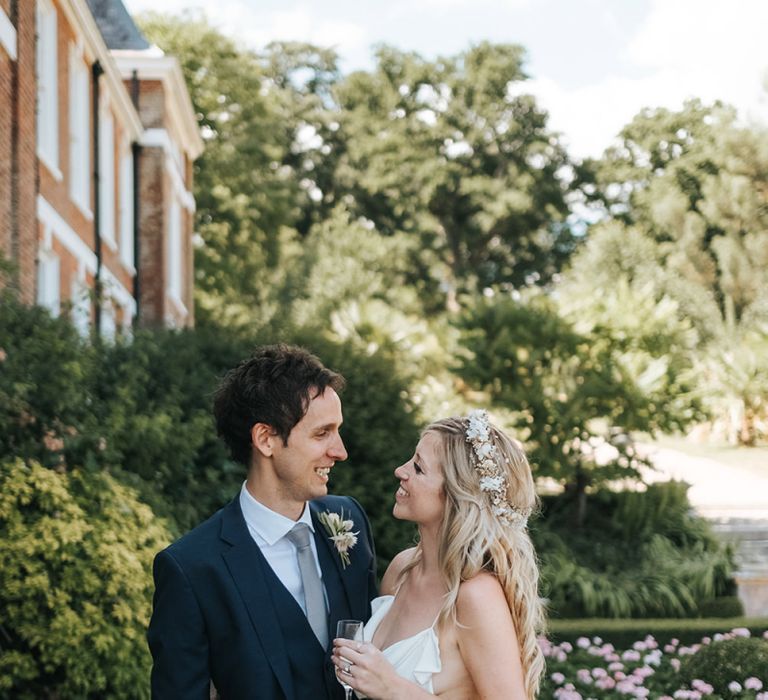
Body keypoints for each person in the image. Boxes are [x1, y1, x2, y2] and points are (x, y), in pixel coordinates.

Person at [147, 344, 378, 699]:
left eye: (338, 430)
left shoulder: (349, 522)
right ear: (266, 439)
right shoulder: (191, 569)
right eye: (322, 433)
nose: (341, 451)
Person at [332, 410, 545, 699]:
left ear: (457, 497)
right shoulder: (402, 569)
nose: (400, 470)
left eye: (418, 468)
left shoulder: (474, 596)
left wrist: (394, 689)